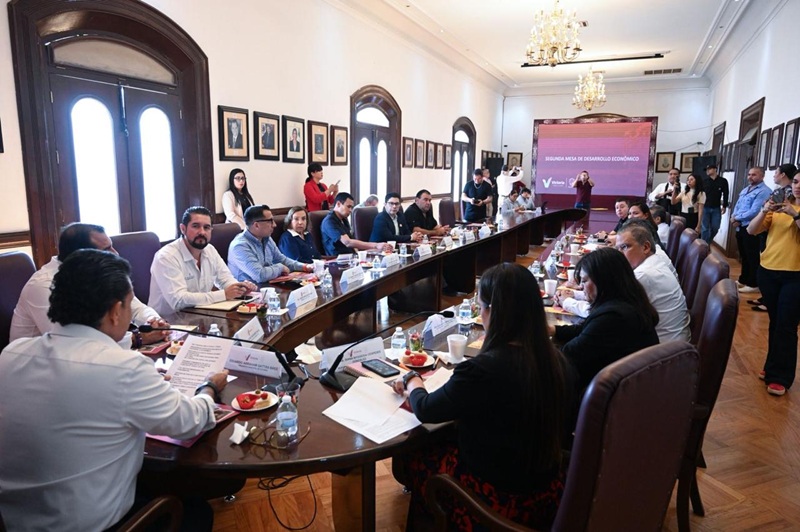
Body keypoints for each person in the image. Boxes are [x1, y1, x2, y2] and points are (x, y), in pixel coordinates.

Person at [0, 249, 226, 531]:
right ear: (115, 311)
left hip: (15, 519)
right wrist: (209, 387)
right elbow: (189, 422)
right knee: (197, 512)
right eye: (129, 304)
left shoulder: (11, 354)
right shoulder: (124, 368)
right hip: (91, 524)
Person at [393, 263, 569, 529]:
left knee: (413, 454)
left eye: (481, 306)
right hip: (547, 493)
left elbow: (426, 409)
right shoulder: (557, 361)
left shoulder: (483, 370)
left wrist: (412, 380)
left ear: (493, 312)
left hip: (496, 498)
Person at [10, 222, 169, 348]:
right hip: (44, 367)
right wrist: (137, 338)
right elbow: (68, 342)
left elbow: (133, 305)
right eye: (106, 249)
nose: (116, 253)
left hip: (87, 357)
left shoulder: (96, 272)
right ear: (82, 255)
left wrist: (153, 322)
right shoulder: (42, 286)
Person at [550, 247, 659, 390]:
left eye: (584, 281)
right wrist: (553, 330)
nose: (581, 287)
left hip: (608, 395)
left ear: (603, 281)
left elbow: (567, 356)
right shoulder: (628, 302)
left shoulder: (613, 317)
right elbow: (585, 331)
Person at [746, 164, 800, 396]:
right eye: (796, 182)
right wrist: (764, 210)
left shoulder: (792, 209)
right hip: (768, 270)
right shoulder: (779, 205)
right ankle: (772, 366)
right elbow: (752, 230)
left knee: (787, 325)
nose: (798, 186)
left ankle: (781, 376)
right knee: (775, 322)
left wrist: (795, 214)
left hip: (795, 275)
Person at [149, 206, 256, 315]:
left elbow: (225, 279)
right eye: (195, 226)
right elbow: (178, 301)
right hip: (169, 320)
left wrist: (239, 289)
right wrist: (224, 294)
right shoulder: (166, 257)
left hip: (200, 315)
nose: (202, 232)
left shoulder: (210, 250)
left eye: (206, 227)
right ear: (183, 229)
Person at [616, 223, 691, 343]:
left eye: (624, 247)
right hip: (672, 342)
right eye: (617, 249)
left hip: (664, 349)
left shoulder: (644, 275)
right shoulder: (654, 262)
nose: (619, 254)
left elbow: (611, 312)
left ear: (645, 247)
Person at [228, 205, 313, 283]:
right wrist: (280, 268)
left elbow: (281, 259)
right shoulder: (240, 246)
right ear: (256, 225)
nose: (274, 225)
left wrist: (305, 267)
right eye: (270, 221)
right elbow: (260, 275)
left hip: (269, 285)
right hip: (249, 290)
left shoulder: (266, 238)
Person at [731, 167, 771, 294]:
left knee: (752, 256)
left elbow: (755, 211)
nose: (750, 177)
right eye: (749, 174)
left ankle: (753, 283)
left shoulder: (764, 191)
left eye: (754, 175)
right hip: (740, 226)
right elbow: (737, 205)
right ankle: (743, 279)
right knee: (744, 255)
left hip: (752, 227)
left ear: (762, 176)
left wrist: (737, 218)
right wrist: (733, 217)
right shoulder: (746, 189)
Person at [322, 192, 391, 255]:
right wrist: (376, 245)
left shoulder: (343, 218)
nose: (350, 210)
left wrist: (359, 253)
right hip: (337, 258)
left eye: (351, 207)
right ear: (338, 204)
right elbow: (347, 242)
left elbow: (351, 239)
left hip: (350, 256)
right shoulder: (329, 221)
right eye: (348, 206)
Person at [701, 163, 729, 243]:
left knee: (715, 227)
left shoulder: (723, 181)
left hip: (716, 207)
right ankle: (704, 245)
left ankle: (708, 242)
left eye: (709, 169)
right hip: (705, 207)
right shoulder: (705, 181)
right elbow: (700, 194)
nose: (707, 171)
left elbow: (726, 193)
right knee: (705, 228)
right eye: (706, 170)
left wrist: (724, 206)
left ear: (715, 169)